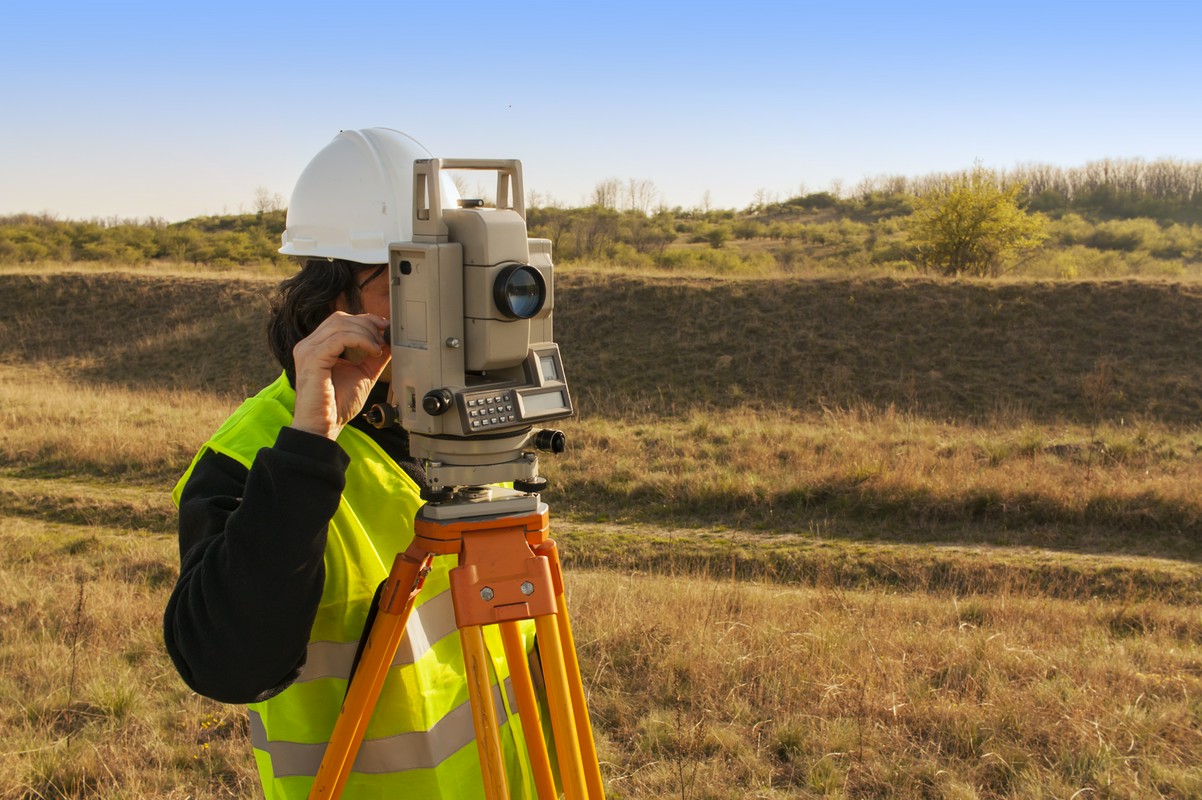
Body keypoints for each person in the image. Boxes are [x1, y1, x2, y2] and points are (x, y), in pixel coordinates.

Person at [163, 128, 542, 799]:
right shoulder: (251, 458)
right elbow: (225, 665)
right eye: (416, 281)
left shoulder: (462, 438)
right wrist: (312, 444)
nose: (451, 311)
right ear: (335, 301)